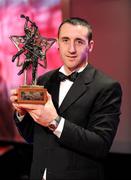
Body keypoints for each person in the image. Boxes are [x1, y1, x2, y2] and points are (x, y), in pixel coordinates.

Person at [10, 17, 122, 180]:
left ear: (90, 46)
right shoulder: (43, 81)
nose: (71, 49)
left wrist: (55, 121)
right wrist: (20, 113)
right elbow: (32, 137)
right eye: (65, 40)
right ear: (57, 44)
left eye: (79, 42)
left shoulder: (107, 87)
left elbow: (100, 145)